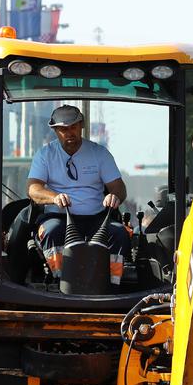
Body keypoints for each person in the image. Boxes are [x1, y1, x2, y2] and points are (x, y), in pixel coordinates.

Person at [26, 104, 130, 286]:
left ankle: (114, 283)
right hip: (59, 217)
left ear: (81, 125)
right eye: (63, 129)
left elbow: (119, 187)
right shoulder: (45, 155)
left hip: (97, 219)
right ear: (55, 130)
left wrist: (114, 196)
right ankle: (59, 280)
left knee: (119, 233)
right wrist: (54, 197)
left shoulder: (100, 154)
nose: (69, 133)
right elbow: (33, 189)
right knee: (51, 231)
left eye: (73, 127)